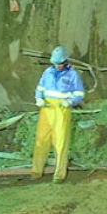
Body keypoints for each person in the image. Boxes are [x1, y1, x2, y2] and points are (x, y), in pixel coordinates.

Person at [32, 46, 85, 183]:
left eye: (60, 63)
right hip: (47, 109)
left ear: (65, 61)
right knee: (41, 139)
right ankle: (36, 171)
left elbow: (79, 93)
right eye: (55, 63)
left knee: (60, 142)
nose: (58, 66)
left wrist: (70, 101)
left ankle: (59, 174)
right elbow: (40, 88)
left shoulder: (73, 75)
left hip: (62, 109)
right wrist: (39, 98)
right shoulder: (47, 72)